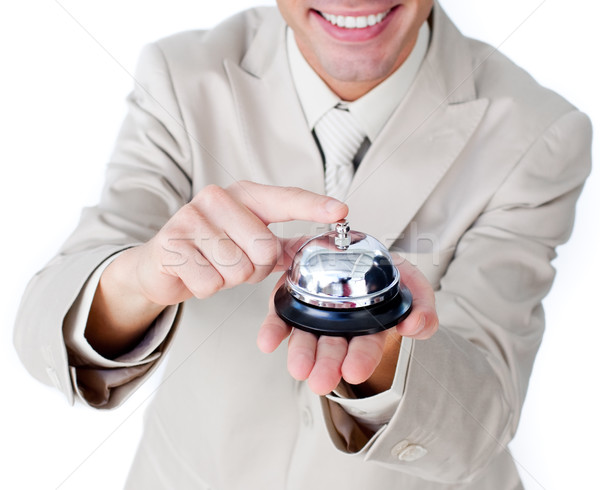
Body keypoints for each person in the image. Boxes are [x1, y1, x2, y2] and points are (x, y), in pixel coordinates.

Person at [14, 0, 592, 488]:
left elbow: (482, 423)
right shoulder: (181, 77)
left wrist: (387, 356)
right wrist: (140, 280)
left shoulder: (538, 134)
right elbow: (44, 322)